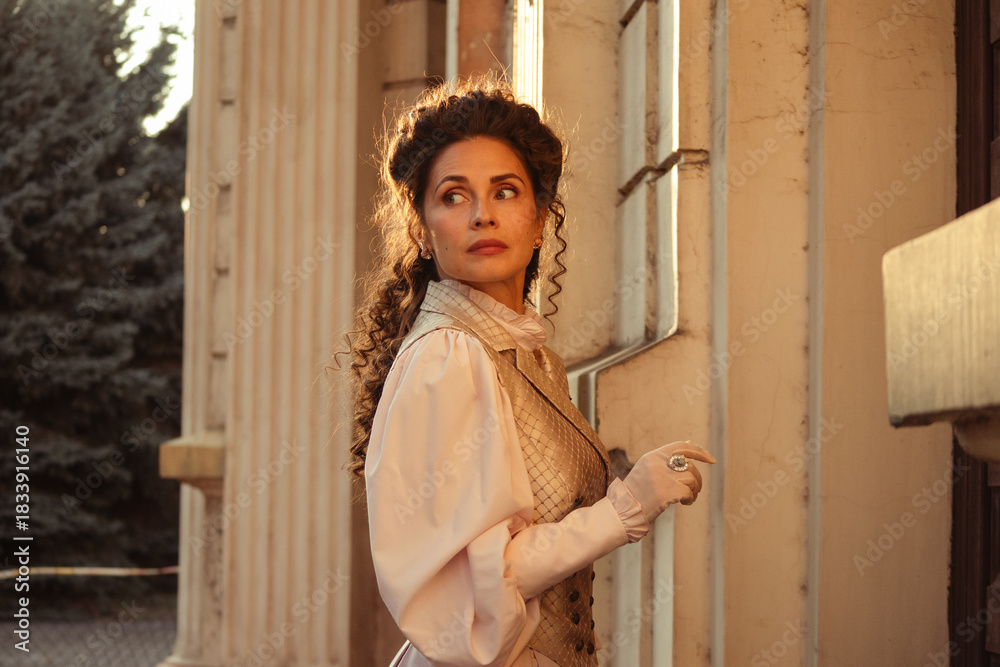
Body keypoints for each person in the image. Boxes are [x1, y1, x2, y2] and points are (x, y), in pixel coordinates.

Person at [339, 75, 716, 667]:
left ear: (540, 220)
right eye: (454, 196)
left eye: (506, 192)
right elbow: (478, 581)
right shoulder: (448, 356)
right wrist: (628, 506)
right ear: (423, 229)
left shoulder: (524, 353)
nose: (483, 215)